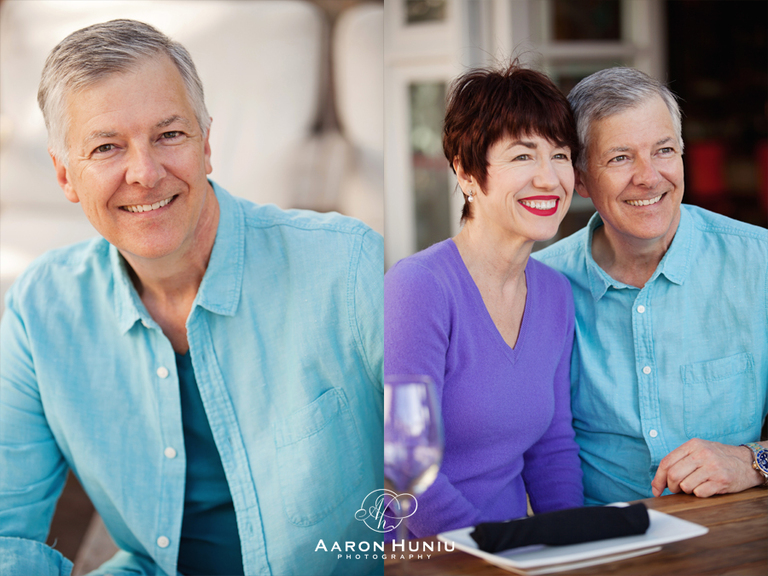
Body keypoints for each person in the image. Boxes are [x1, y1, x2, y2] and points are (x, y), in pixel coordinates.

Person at [0, 20, 383, 576]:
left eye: (169, 135)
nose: (145, 173)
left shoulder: (347, 270)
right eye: (107, 147)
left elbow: (467, 461)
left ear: (206, 145)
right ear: (65, 175)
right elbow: (8, 533)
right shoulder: (41, 313)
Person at [534, 67, 768, 506]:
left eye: (663, 150)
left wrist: (752, 462)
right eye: (620, 158)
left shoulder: (760, 264)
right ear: (580, 178)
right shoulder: (540, 286)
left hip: (735, 549)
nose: (648, 176)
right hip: (602, 551)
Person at [384, 63, 584, 538]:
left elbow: (552, 448)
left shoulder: (555, 294)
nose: (549, 178)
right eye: (522, 157)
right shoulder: (419, 288)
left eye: (560, 155)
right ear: (467, 172)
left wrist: (574, 546)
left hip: (511, 552)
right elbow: (407, 470)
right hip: (423, 555)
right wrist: (493, 555)